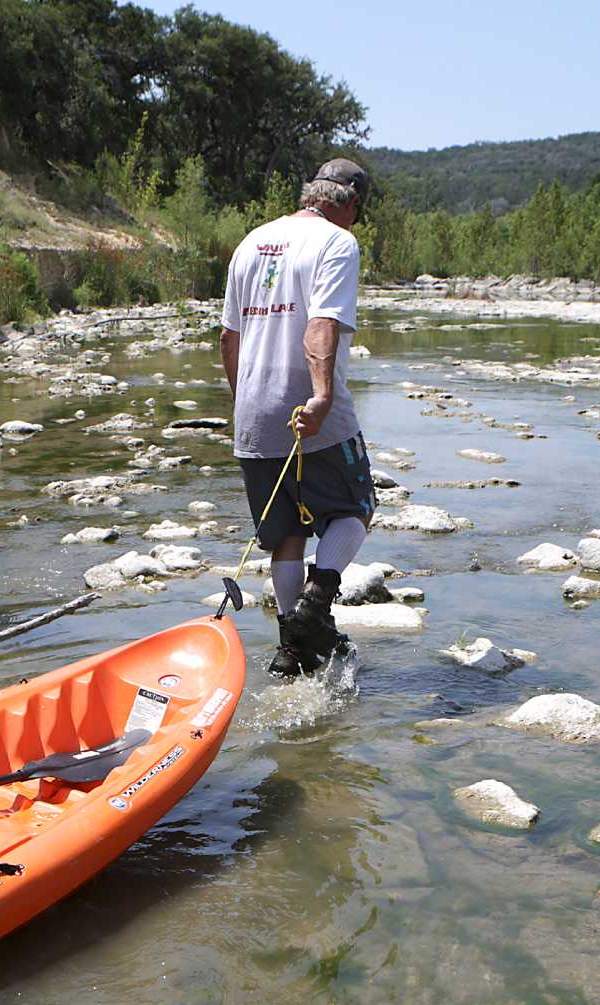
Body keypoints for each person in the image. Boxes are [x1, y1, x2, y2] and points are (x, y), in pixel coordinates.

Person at [220, 158, 375, 678]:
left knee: (286, 533)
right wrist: (323, 395)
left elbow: (229, 337)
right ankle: (316, 603)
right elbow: (322, 323)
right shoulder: (337, 243)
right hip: (310, 410)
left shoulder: (250, 242)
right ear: (350, 203)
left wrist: (247, 403)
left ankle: (292, 648)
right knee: (356, 506)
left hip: (253, 413)